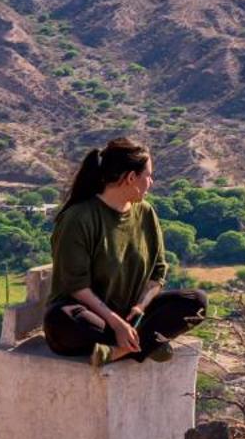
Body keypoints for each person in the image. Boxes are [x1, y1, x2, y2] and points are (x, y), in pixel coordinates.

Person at [43, 138, 206, 367]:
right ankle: (145, 343)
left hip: (132, 316)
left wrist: (140, 307)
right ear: (131, 178)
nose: (151, 182)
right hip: (91, 316)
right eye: (148, 175)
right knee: (62, 319)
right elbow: (76, 286)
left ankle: (119, 350)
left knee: (196, 302)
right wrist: (116, 323)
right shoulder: (79, 218)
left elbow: (158, 273)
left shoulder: (145, 213)